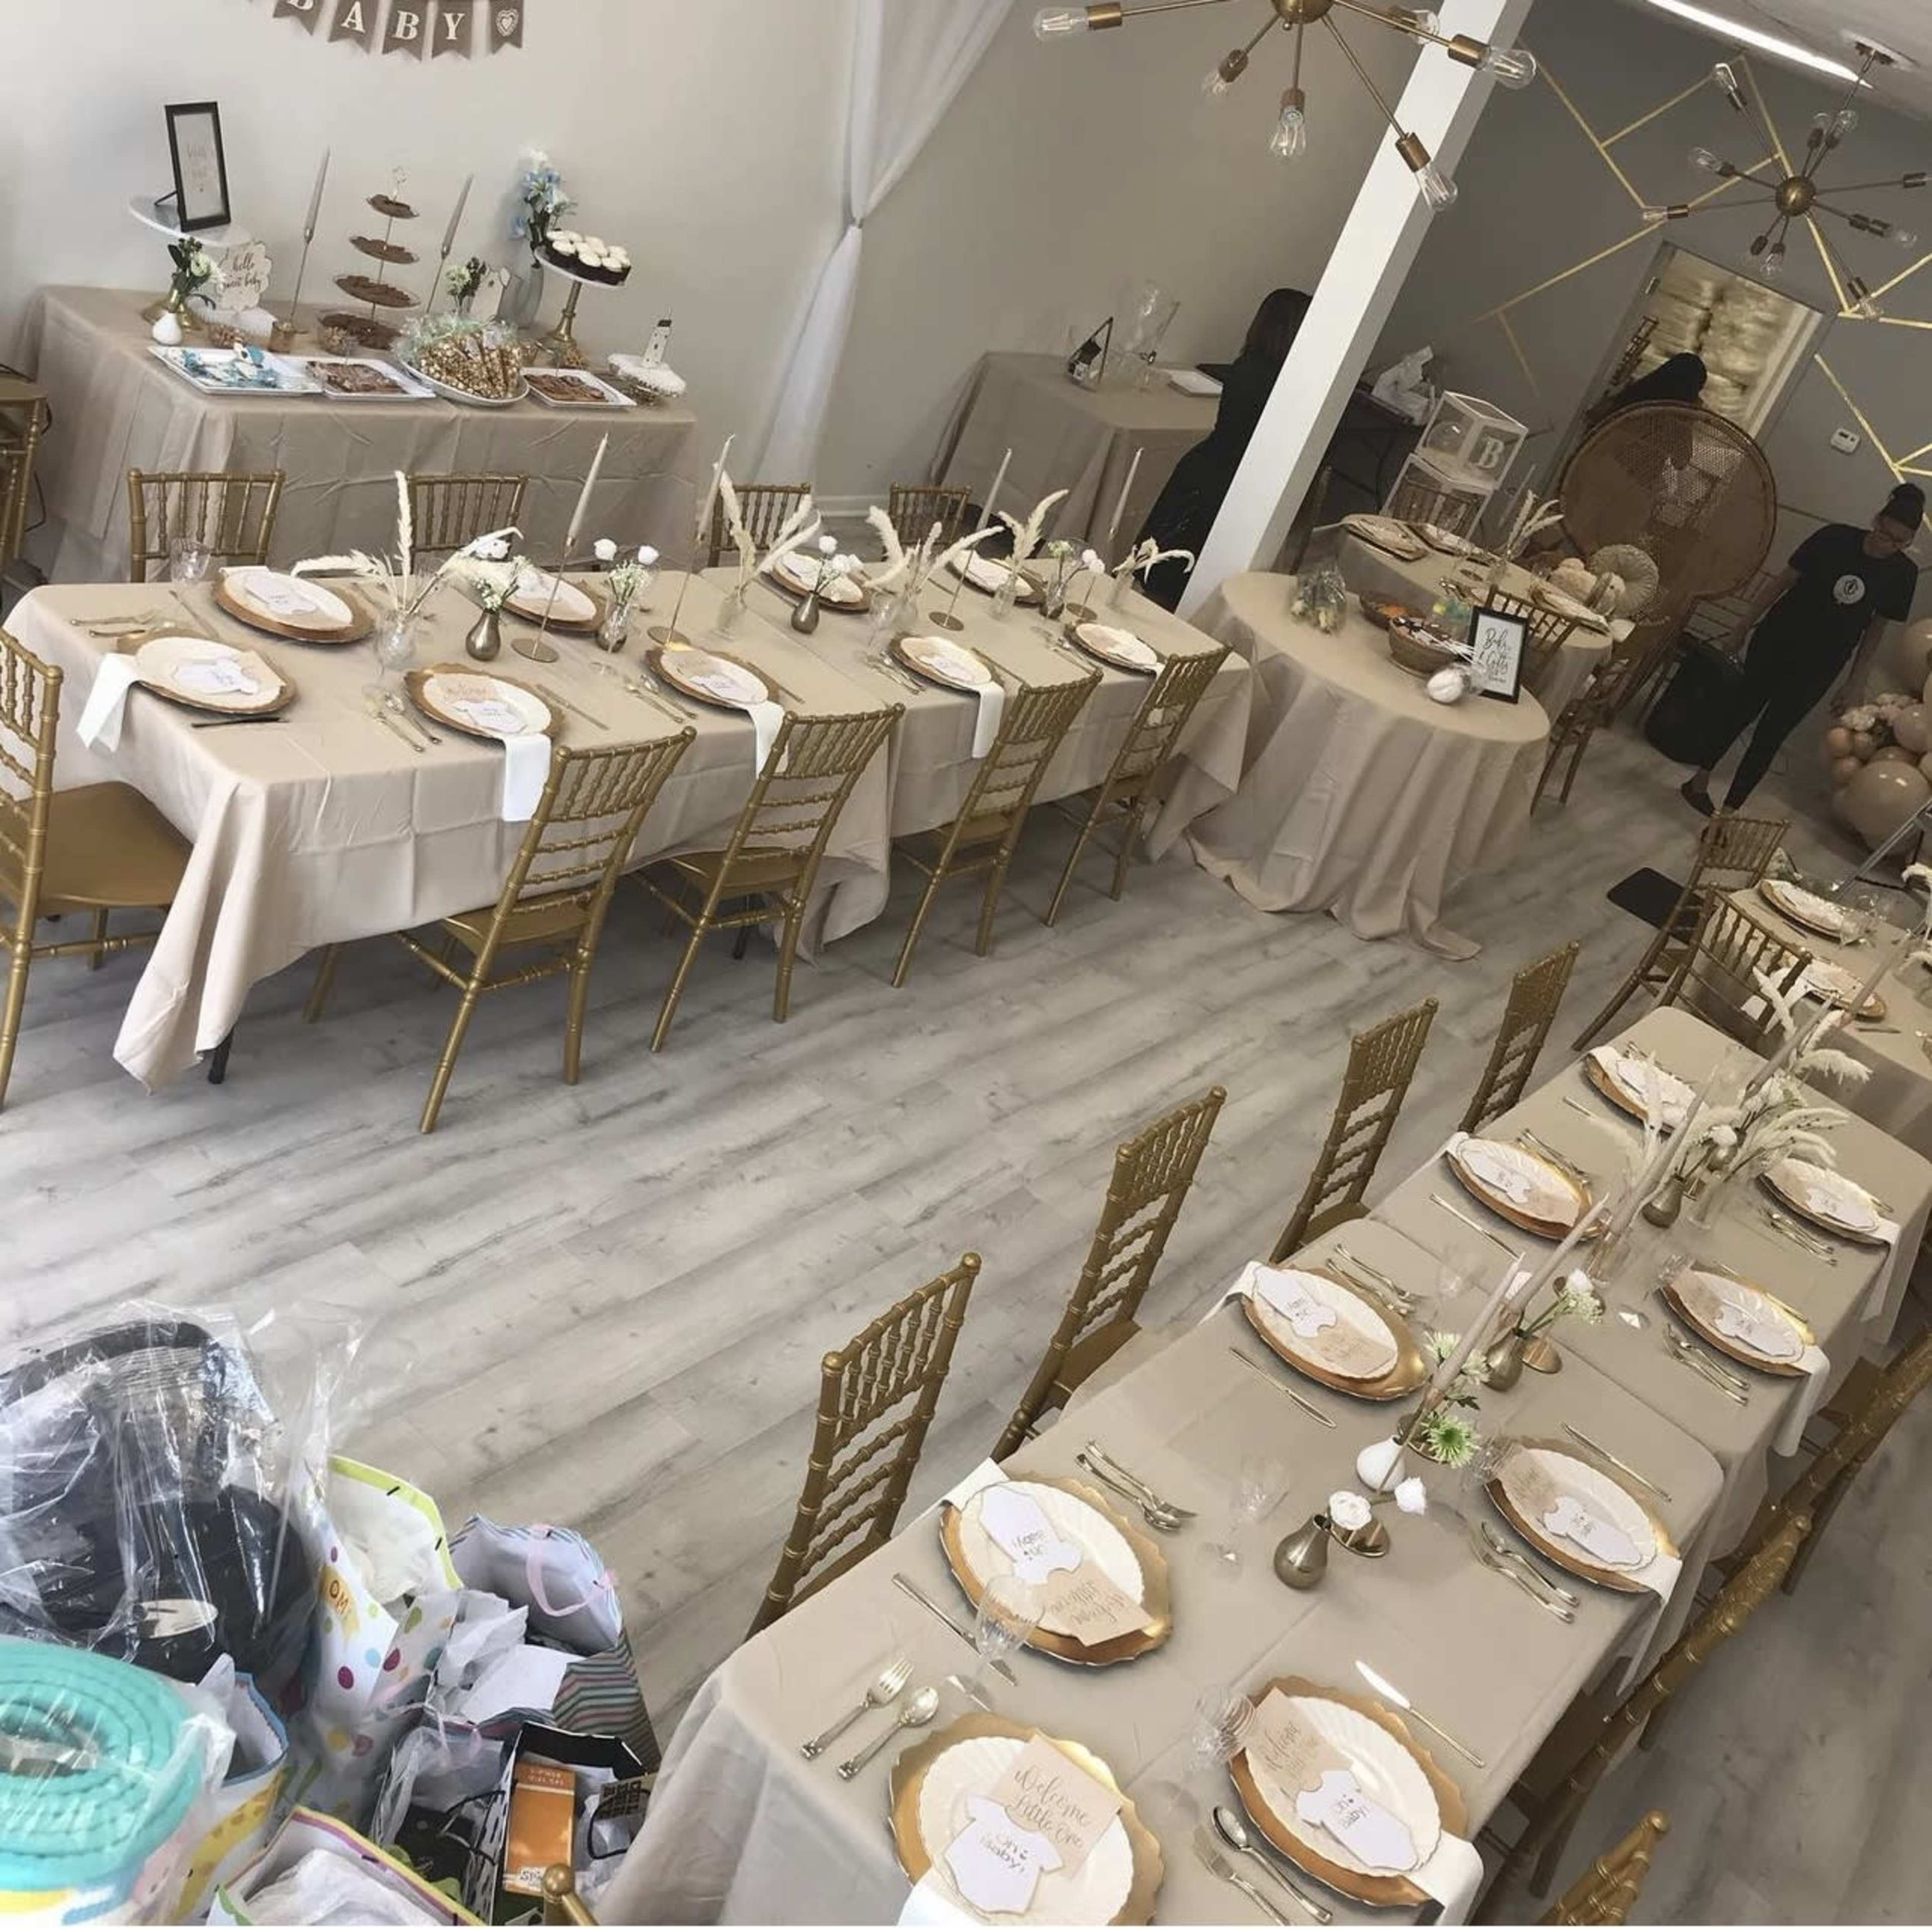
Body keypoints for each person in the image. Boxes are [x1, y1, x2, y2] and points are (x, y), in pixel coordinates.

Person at [1680, 482, 1924, 816]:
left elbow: (1875, 632)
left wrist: (1856, 682)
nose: (1889, 546)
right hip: (1776, 640)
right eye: (1886, 534)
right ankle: (1699, 782)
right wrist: (1742, 626)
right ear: (1876, 520)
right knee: (1740, 711)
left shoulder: (1903, 573)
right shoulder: (1834, 538)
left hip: (1823, 662)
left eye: (1901, 542)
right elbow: (1781, 582)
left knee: (1772, 734)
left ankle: (1728, 814)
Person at [1133, 287, 1312, 609]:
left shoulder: (1247, 367)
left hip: (1208, 470)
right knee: (1188, 572)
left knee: (1162, 567)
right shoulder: (1285, 386)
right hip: (1232, 482)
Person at [1585, 351, 1708, 426]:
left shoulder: (1638, 392)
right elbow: (1681, 462)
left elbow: (1594, 414)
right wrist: (1690, 419)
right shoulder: (1673, 421)